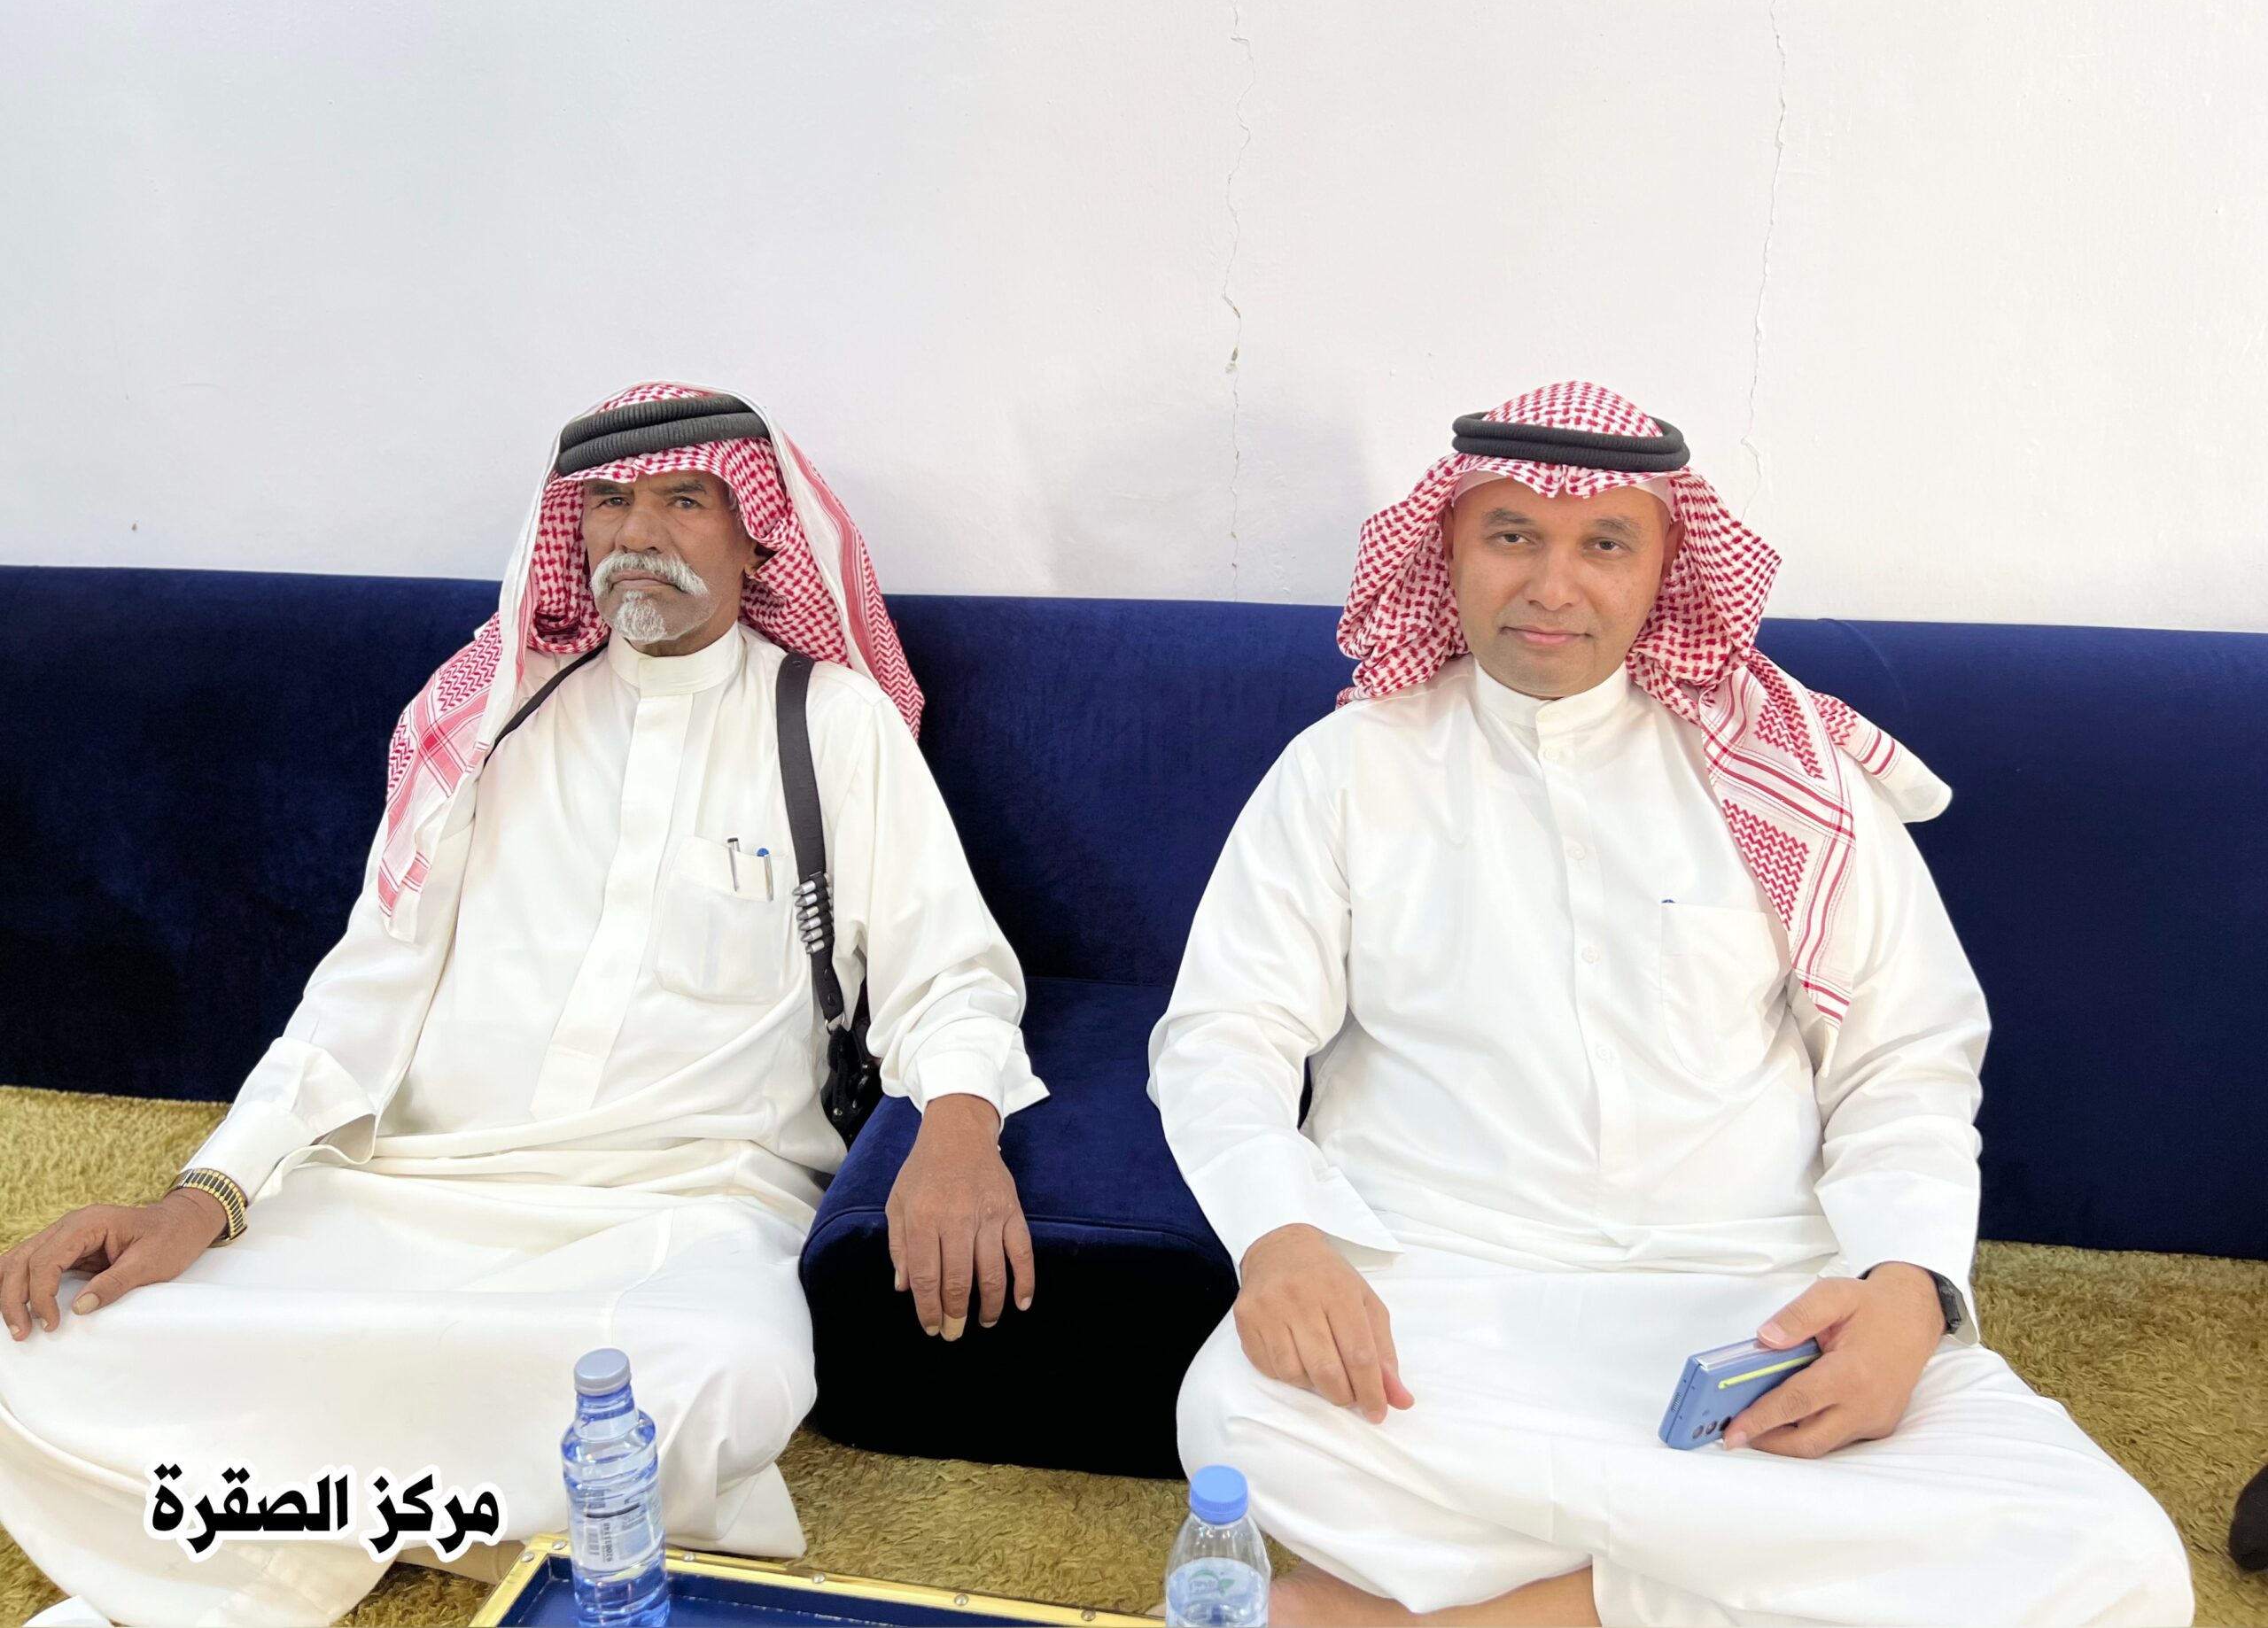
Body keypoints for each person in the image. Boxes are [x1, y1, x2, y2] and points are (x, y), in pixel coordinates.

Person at [0, 383, 1046, 1627]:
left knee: (733, 1368)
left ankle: (267, 1530)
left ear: (758, 539)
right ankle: (486, 1515)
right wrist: (202, 1198)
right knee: (47, 1334)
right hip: (409, 1195)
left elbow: (949, 971)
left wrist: (961, 1129)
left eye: (684, 499)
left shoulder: (832, 724)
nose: (636, 532)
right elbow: (365, 990)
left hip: (680, 1215)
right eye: (607, 503)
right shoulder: (496, 720)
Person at [1153, 382, 2192, 1625]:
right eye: (1512, 536)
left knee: (2123, 1563)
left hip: (1756, 1306)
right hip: (1439, 1299)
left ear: (1665, 571)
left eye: (1604, 544)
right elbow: (1226, 1034)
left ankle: (1479, 1612)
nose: (1552, 585)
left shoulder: (1786, 770)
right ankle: (1745, 1581)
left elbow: (1905, 1057)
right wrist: (1279, 1238)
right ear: (1450, 551)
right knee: (1241, 1416)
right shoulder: (1343, 772)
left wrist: (1909, 1291)